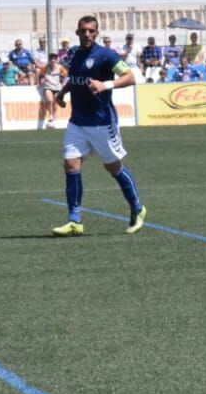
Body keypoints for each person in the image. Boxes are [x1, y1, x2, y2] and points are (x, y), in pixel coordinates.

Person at [50, 15, 146, 237]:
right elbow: (74, 79)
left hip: (102, 122)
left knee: (114, 168)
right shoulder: (74, 53)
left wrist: (106, 84)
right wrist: (63, 93)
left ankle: (137, 208)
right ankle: (74, 220)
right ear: (77, 32)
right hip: (77, 121)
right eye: (83, 30)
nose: (87, 34)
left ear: (97, 33)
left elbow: (130, 77)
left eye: (91, 31)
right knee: (71, 165)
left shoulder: (106, 55)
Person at [39, 54, 66, 130]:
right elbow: (40, 75)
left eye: (54, 58)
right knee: (50, 100)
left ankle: (54, 117)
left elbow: (66, 75)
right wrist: (40, 82)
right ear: (49, 60)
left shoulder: (60, 67)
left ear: (56, 59)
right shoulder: (45, 68)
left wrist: (63, 83)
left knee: (56, 102)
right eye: (51, 58)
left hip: (57, 87)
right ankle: (50, 116)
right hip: (48, 87)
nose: (52, 60)